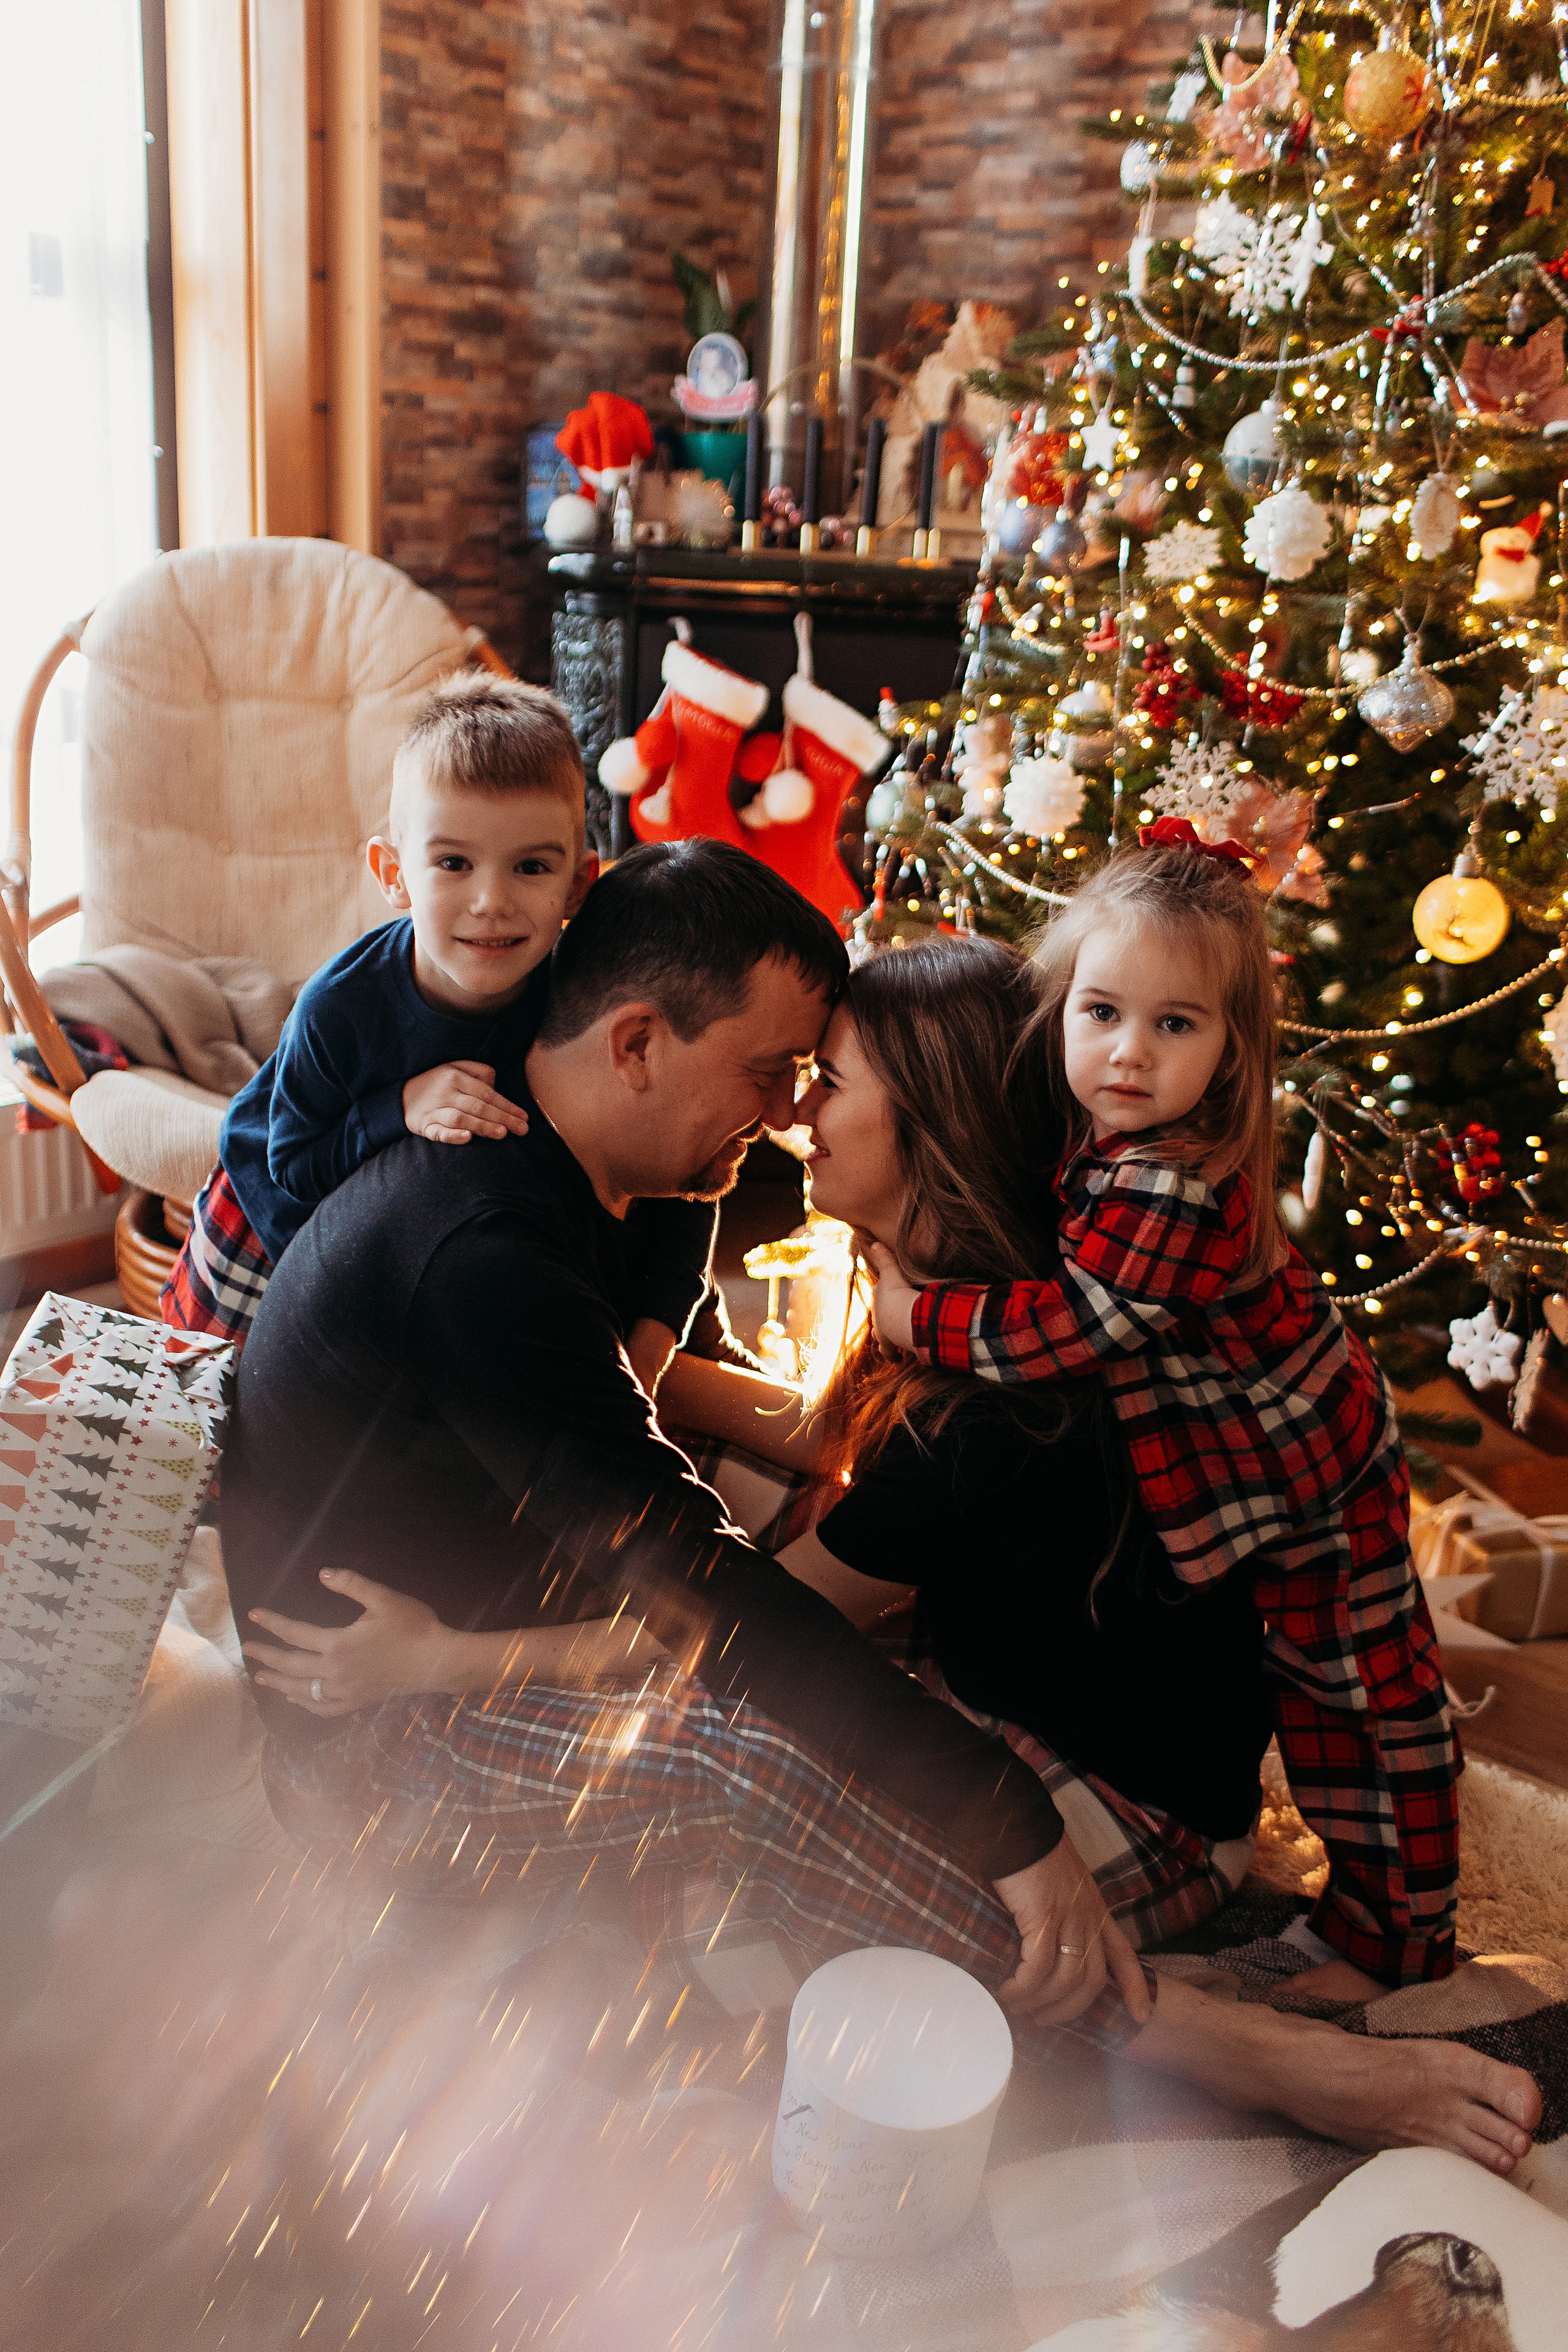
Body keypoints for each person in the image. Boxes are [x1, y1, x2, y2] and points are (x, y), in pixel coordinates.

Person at [236, 900, 1540, 2170]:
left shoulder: (973, 1409)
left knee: (751, 1829)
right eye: (775, 1070)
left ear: (926, 1130)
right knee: (746, 1810)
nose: (789, 1107)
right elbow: (756, 1516)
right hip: (390, 1752)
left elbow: (743, 1620)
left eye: (820, 1079)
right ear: (635, 1043)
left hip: (1129, 1805)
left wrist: (1002, 1825)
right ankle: (1171, 2026)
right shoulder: (939, 1314)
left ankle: (1168, 2037)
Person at [869, 824, 1458, 1991]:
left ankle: (1400, 1946)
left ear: (1231, 1052)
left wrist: (910, 1320)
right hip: (1247, 1458)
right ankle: (1375, 1926)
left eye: (1174, 1025)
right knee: (1315, 1684)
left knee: (1359, 1692)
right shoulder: (1110, 1138)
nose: (1128, 1053)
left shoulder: (1175, 1182)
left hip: (1311, 1472)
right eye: (1101, 1013)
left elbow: (1064, 1334)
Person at [163, 675, 612, 1348]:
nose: (491, 900)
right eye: (454, 862)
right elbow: (293, 1165)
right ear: (394, 874)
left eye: (531, 868)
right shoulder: (338, 1008)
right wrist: (398, 1106)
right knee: (220, 1408)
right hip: (271, 1216)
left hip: (415, 1222)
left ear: (578, 885)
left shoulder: (575, 997)